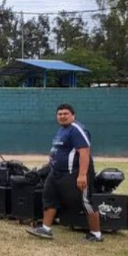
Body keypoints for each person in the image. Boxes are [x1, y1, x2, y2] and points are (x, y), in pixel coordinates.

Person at [27, 104, 102, 242]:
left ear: (73, 115)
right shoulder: (62, 130)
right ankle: (45, 229)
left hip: (74, 173)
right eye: (59, 114)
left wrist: (82, 175)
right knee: (49, 197)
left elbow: (84, 152)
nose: (62, 116)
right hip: (57, 173)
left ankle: (96, 234)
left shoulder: (77, 129)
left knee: (85, 201)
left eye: (65, 114)